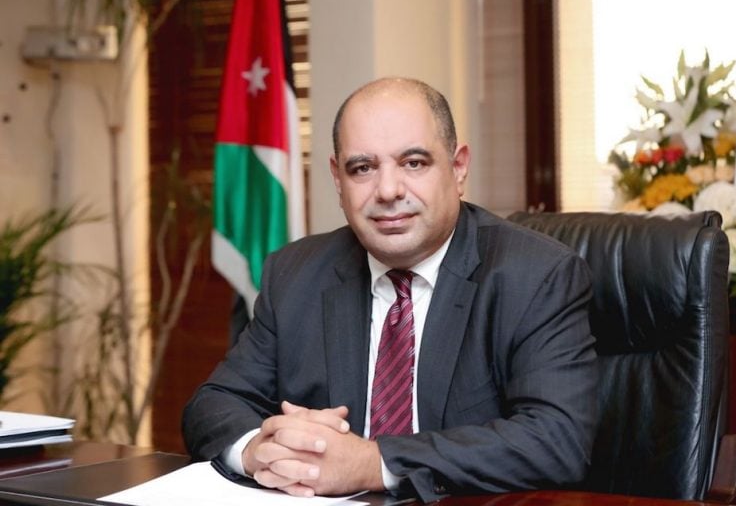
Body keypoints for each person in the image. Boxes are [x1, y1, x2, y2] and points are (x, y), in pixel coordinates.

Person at [182, 77, 597, 503]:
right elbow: (214, 403)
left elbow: (556, 439)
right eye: (362, 168)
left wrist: (372, 462)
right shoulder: (296, 273)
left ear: (458, 168)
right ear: (338, 179)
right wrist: (258, 450)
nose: (387, 191)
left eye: (413, 163)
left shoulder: (536, 275)